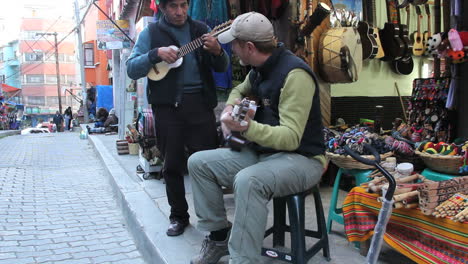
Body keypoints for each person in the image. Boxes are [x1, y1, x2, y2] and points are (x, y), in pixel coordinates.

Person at [188, 12, 326, 264]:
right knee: (198, 163)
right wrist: (230, 108)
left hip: (303, 158)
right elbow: (240, 90)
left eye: (235, 44)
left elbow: (291, 138)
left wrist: (245, 128)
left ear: (249, 47)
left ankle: (243, 260)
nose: (232, 49)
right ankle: (220, 238)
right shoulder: (260, 68)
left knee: (248, 181)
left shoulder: (295, 75)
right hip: (266, 153)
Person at [126, 0, 229, 237]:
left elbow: (222, 66)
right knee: (171, 164)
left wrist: (217, 51)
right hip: (167, 109)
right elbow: (132, 68)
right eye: (173, 6)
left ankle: (215, 221)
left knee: (207, 164)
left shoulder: (201, 30)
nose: (180, 11)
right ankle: (178, 216)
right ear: (161, 7)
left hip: (200, 105)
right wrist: (155, 54)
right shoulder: (151, 33)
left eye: (184, 5)